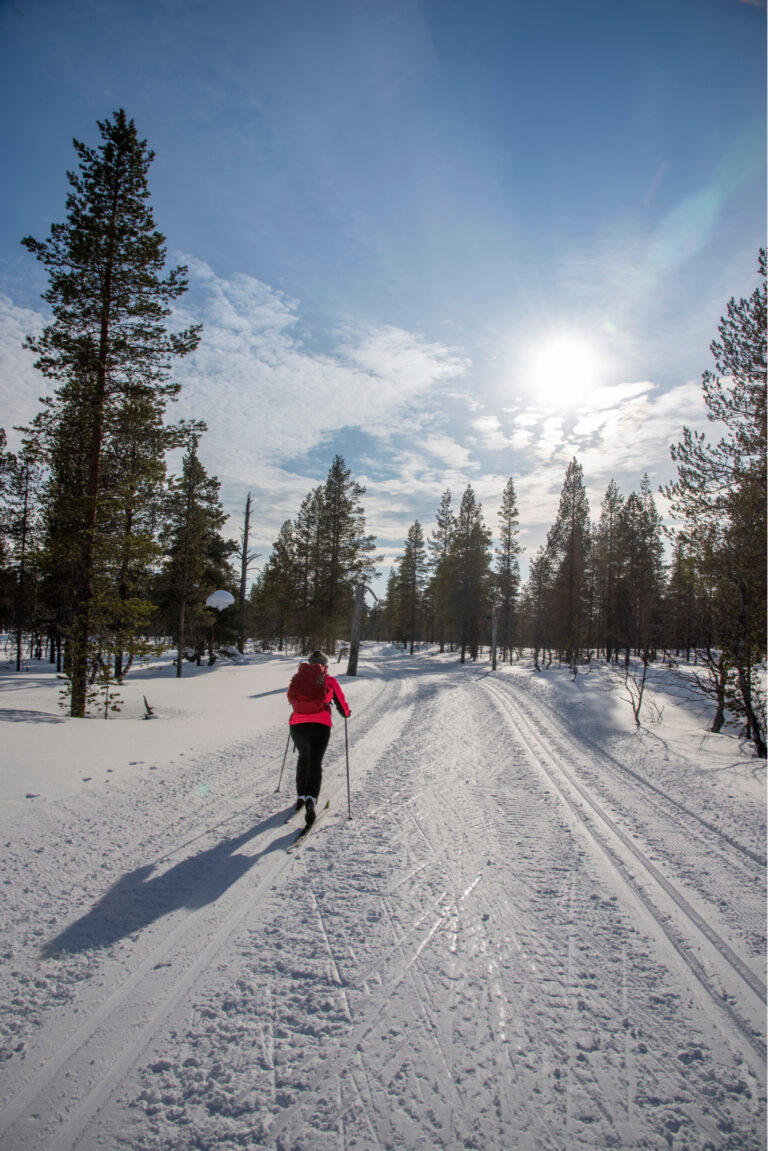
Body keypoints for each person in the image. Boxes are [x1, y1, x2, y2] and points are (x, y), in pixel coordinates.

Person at [287, 650, 350, 827]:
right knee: (315, 762)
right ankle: (311, 799)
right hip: (320, 725)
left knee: (303, 758)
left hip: (297, 725)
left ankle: (300, 795)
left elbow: (291, 698)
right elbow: (341, 704)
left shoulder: (297, 678)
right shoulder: (329, 681)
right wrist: (346, 713)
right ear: (325, 665)